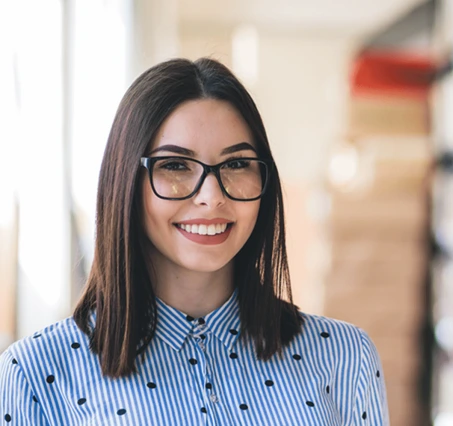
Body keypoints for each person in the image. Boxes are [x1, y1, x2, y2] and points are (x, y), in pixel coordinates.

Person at [0, 58, 389, 425]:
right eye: (175, 165)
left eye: (236, 164)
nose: (211, 196)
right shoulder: (36, 375)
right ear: (125, 184)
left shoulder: (343, 356)